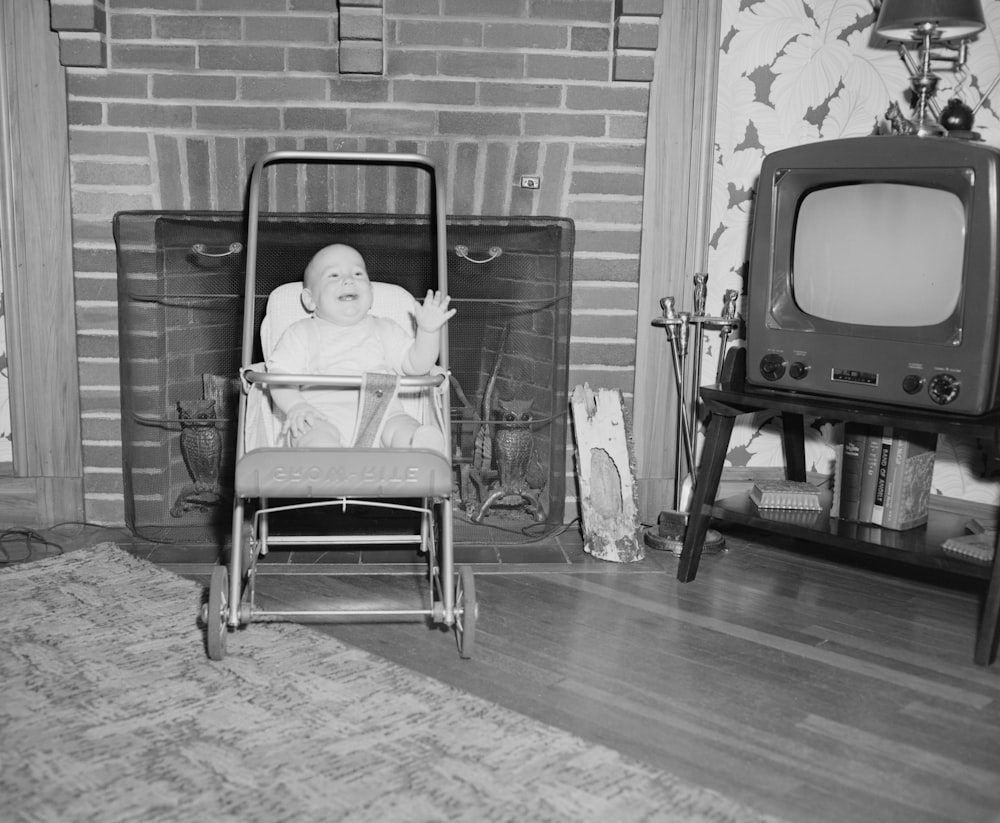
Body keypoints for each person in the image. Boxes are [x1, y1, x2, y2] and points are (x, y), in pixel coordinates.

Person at [266, 243, 455, 450]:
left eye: (358, 273)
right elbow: (280, 375)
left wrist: (428, 332)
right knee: (312, 435)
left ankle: (418, 448)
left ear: (371, 294)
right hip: (320, 415)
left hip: (382, 414)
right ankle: (327, 464)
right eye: (334, 275)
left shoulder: (384, 329)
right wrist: (296, 405)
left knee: (402, 427)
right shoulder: (300, 333)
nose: (349, 280)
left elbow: (417, 366)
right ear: (310, 300)